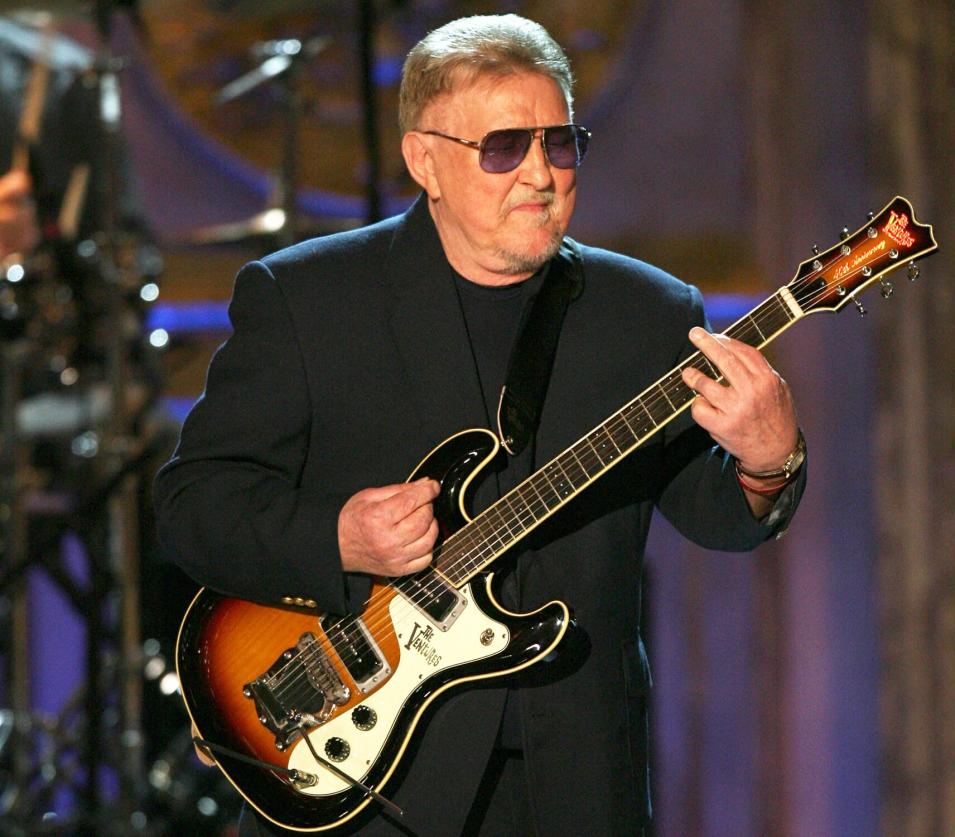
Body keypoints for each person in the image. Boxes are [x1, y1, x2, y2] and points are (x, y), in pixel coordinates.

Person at [154, 14, 806, 837]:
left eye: (560, 144)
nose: (540, 174)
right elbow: (192, 506)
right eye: (505, 147)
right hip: (370, 781)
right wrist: (340, 536)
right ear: (424, 159)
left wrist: (769, 459)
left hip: (576, 786)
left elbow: (710, 513)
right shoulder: (307, 299)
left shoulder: (648, 311)